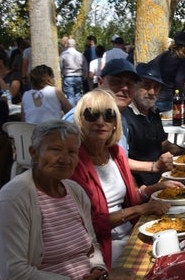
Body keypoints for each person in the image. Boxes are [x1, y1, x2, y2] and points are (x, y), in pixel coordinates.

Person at [0, 120, 107, 280]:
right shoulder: (13, 199)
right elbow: (13, 272)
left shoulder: (74, 191)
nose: (65, 158)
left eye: (72, 152)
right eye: (55, 149)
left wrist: (99, 271)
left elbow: (91, 245)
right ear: (34, 152)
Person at [70, 89, 177, 268]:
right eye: (92, 115)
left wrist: (155, 189)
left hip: (131, 235)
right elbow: (89, 226)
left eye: (109, 115)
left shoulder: (115, 153)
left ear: (115, 123)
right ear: (80, 120)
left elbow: (131, 198)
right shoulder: (74, 163)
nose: (100, 121)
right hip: (102, 249)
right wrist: (143, 209)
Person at [122, 63, 185, 186]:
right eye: (146, 85)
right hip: (139, 188)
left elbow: (161, 145)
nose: (152, 92)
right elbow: (120, 161)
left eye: (156, 87)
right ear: (133, 86)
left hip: (161, 180)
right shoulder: (124, 116)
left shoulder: (154, 111)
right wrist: (154, 166)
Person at [150, 31, 185, 112]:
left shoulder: (164, 55)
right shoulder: (183, 59)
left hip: (156, 97)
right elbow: (179, 81)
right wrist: (183, 98)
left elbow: (149, 67)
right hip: (169, 100)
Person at [59, 38, 88, 106]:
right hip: (79, 77)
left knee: (70, 96)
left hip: (68, 76)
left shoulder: (64, 54)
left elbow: (60, 66)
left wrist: (61, 74)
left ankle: (71, 112)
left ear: (67, 45)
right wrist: (85, 76)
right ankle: (78, 111)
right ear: (74, 45)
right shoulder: (80, 55)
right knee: (77, 95)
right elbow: (85, 67)